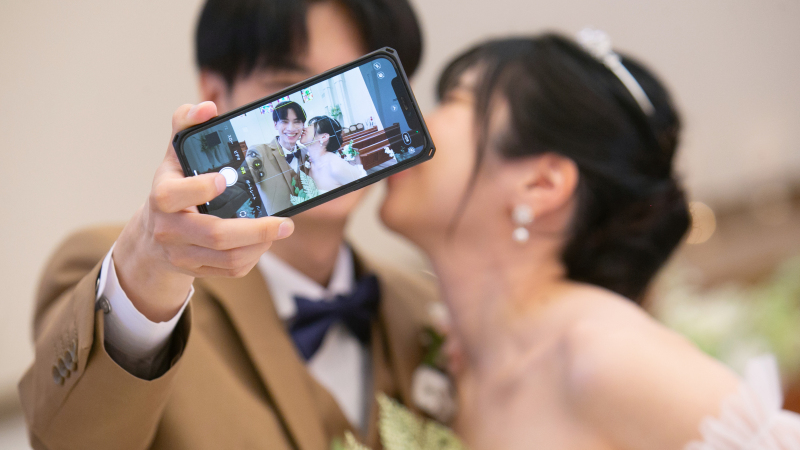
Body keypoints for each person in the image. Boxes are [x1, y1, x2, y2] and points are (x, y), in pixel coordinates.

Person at [19, 0, 437, 450]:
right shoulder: (124, 275)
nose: (305, 123)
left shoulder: (425, 308)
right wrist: (146, 272)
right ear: (215, 95)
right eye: (287, 84)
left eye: (346, 79)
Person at [380, 33, 800, 449]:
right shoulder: (449, 366)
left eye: (454, 100)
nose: (413, 120)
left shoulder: (607, 356)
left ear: (541, 184)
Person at [246, 101, 312, 214]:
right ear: (275, 124)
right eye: (284, 122)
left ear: (303, 125)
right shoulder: (259, 152)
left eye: (297, 122)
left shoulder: (307, 152)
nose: (291, 128)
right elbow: (243, 179)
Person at [299, 115, 367, 196]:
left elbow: (365, 190)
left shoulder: (335, 166)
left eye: (310, 126)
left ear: (324, 137)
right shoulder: (309, 162)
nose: (304, 129)